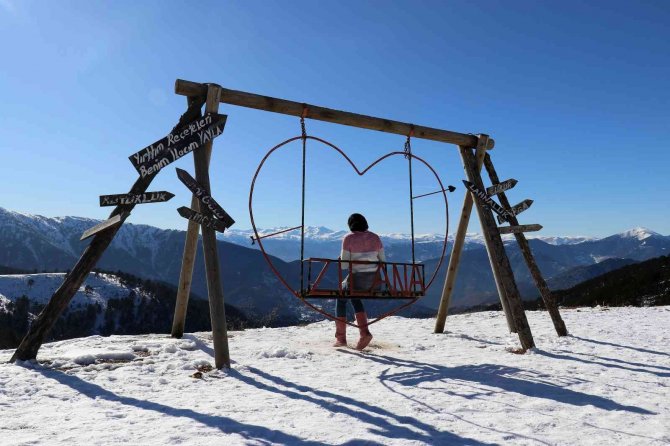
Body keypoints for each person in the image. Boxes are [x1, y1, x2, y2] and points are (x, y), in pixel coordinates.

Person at [334, 213, 386, 350]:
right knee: (354, 296)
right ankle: (364, 332)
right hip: (375, 282)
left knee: (341, 297)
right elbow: (383, 261)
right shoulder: (375, 237)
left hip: (357, 281)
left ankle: (341, 338)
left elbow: (344, 266)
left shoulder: (348, 238)